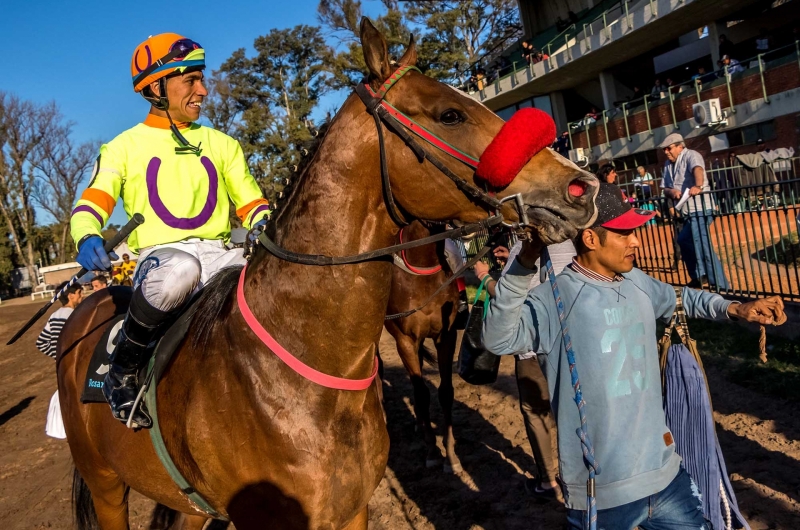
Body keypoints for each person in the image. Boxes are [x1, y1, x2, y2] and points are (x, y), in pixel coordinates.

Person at [482, 182, 786, 529]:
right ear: (591, 239)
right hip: (602, 493)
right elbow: (498, 339)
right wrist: (523, 262)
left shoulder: (637, 282)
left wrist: (736, 308)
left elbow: (680, 298)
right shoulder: (554, 299)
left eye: (635, 232)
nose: (636, 241)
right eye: (624, 233)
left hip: (666, 478)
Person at [70, 33, 270, 428]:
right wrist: (88, 235)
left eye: (202, 79)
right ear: (156, 85)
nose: (203, 90)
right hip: (162, 261)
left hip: (222, 253)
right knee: (181, 270)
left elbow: (251, 203)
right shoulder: (122, 147)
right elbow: (92, 201)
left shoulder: (223, 145)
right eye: (191, 80)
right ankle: (122, 371)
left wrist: (261, 223)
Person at [474, 240, 576, 501]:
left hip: (534, 347)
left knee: (535, 412)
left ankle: (547, 481)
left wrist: (484, 276)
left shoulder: (525, 245)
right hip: (573, 341)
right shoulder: (574, 241)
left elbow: (504, 295)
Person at [659, 133, 729, 289]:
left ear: (680, 146)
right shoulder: (668, 165)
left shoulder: (691, 155)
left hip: (701, 209)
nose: (666, 152)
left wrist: (697, 186)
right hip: (688, 212)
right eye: (664, 149)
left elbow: (698, 169)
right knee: (684, 240)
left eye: (669, 148)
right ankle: (699, 276)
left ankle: (720, 285)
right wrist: (673, 193)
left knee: (702, 245)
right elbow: (665, 189)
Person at [37, 281, 84, 439]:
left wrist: (59, 355)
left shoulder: (54, 315)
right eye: (79, 293)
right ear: (70, 295)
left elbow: (41, 342)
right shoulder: (75, 316)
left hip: (62, 367)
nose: (82, 296)